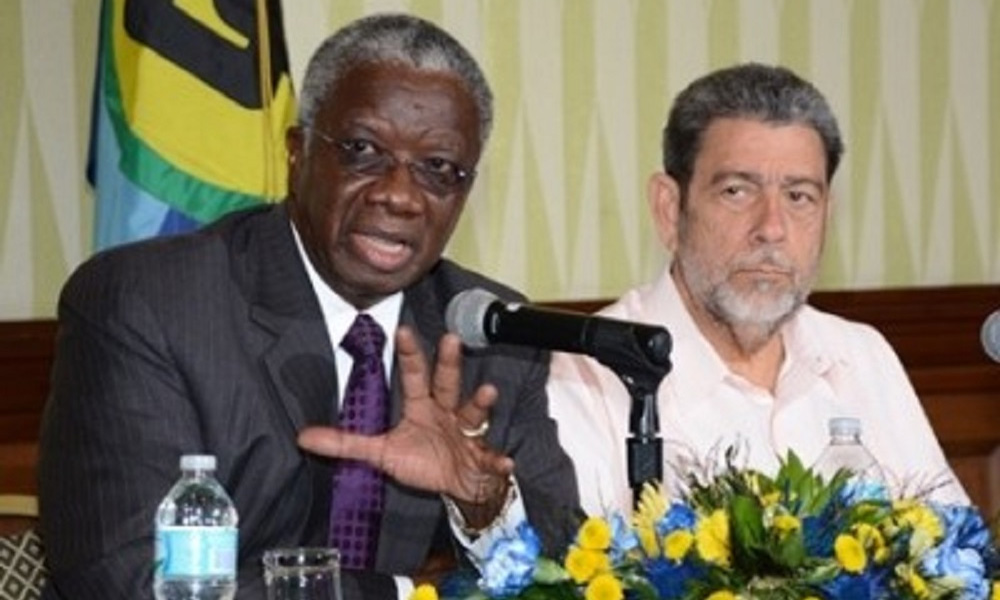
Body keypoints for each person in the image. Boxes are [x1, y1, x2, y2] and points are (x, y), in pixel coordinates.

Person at [38, 13, 579, 600]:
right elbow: (127, 581)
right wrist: (402, 593)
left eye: (439, 170)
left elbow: (569, 563)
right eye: (363, 150)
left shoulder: (485, 328)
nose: (398, 194)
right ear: (297, 154)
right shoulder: (148, 305)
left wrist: (483, 505)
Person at [546, 63, 968, 516]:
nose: (771, 228)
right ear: (670, 209)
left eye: (799, 196)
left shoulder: (862, 356)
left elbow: (958, 566)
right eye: (736, 191)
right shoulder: (586, 373)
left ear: (827, 212)